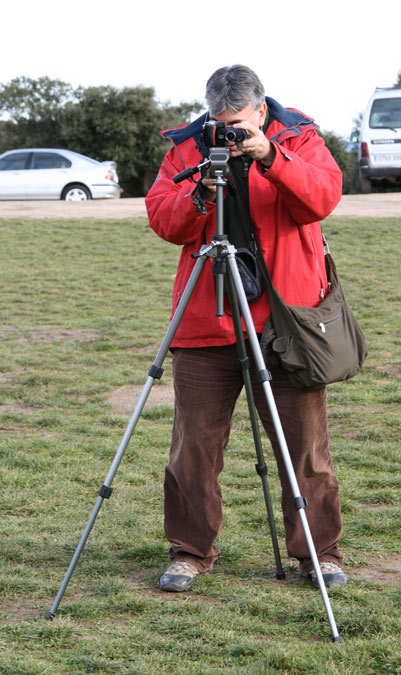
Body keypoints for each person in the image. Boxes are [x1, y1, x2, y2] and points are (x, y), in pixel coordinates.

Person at [145, 64, 347, 592]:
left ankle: (318, 553)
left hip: (287, 322)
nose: (228, 134)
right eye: (220, 123)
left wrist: (271, 158)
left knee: (305, 447)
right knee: (194, 447)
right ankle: (190, 550)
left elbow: (322, 198)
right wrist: (199, 197)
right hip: (207, 319)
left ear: (261, 111)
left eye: (238, 125)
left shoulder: (298, 139)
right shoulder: (189, 148)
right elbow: (162, 218)